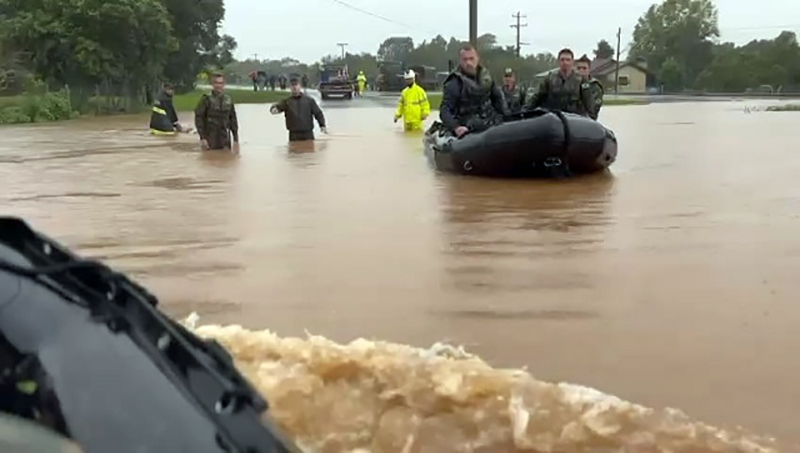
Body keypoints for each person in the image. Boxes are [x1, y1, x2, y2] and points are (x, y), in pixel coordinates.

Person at [439, 44, 507, 138]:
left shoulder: (487, 78)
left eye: (471, 59)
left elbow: (498, 100)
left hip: (488, 122)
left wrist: (506, 118)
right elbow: (445, 110)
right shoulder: (454, 83)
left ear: (477, 58)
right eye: (465, 59)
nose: (468, 63)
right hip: (467, 126)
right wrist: (456, 127)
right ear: (460, 61)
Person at [527, 48, 594, 117]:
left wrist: (591, 120)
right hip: (554, 117)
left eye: (568, 60)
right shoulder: (550, 78)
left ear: (572, 62)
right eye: (562, 60)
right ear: (558, 61)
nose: (565, 62)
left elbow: (589, 103)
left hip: (573, 118)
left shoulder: (581, 79)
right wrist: (525, 112)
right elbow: (536, 97)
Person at [270, 76, 327, 142]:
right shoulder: (287, 102)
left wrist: (322, 125)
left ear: (300, 86)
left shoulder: (309, 101)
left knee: (309, 151)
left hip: (308, 133)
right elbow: (277, 107)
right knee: (293, 150)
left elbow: (318, 113)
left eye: (296, 85)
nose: (294, 87)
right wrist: (274, 109)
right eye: (292, 85)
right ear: (290, 87)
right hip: (294, 134)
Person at [194, 73, 239, 152]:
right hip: (210, 137)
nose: (218, 86)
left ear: (224, 84)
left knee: (226, 160)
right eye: (216, 83)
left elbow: (233, 119)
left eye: (220, 83)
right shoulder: (206, 99)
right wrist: (202, 138)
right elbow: (199, 118)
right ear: (212, 84)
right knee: (209, 160)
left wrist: (236, 139)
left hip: (224, 137)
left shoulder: (228, 99)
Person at [575, 54, 604, 120]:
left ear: (589, 69)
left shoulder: (594, 86)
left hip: (588, 121)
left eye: (584, 68)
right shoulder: (571, 83)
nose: (581, 71)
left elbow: (593, 110)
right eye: (578, 68)